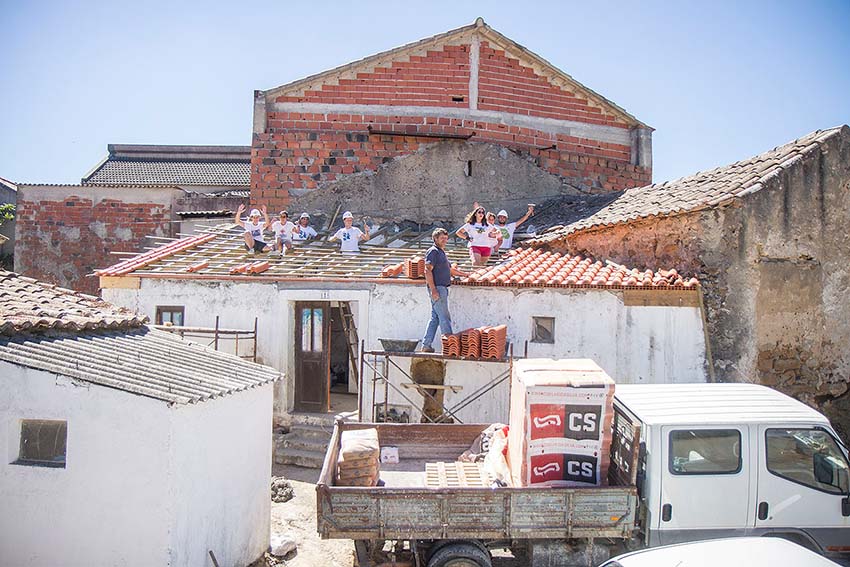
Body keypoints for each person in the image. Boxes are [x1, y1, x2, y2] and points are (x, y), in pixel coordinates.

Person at [420, 228, 470, 353]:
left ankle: (426, 345)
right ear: (435, 239)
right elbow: (427, 271)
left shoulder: (441, 252)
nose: (445, 241)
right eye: (442, 238)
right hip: (438, 288)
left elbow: (450, 270)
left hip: (441, 288)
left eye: (446, 238)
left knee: (435, 318)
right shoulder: (433, 252)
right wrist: (433, 290)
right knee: (444, 317)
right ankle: (449, 347)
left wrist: (465, 274)